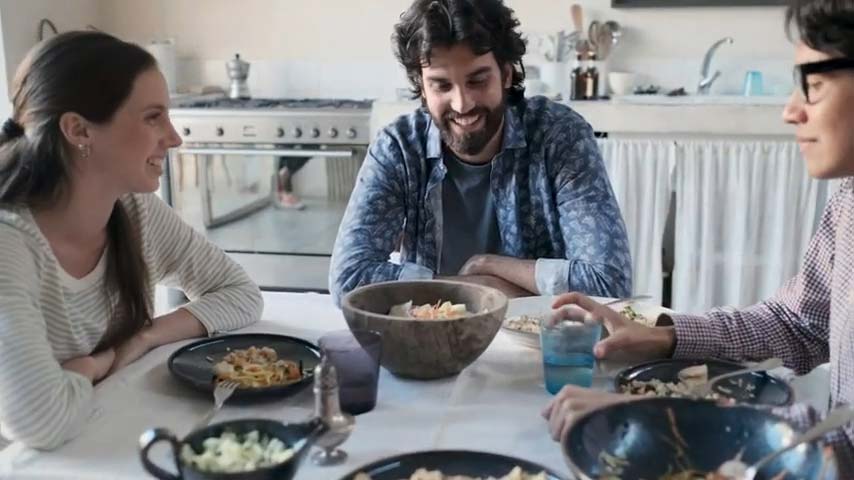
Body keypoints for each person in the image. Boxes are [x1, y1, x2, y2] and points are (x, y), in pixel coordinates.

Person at [542, 0, 854, 475]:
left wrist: (646, 418)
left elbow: (846, 444)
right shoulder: (849, 196)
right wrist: (662, 338)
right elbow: (798, 321)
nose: (791, 111)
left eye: (812, 86)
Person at [0, 31, 263, 450]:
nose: (174, 137)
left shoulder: (134, 211)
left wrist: (142, 338)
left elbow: (241, 293)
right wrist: (97, 364)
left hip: (105, 433)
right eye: (152, 117)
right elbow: (41, 422)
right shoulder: (9, 243)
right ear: (79, 130)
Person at [328, 0, 631, 304]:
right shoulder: (399, 148)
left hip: (540, 341)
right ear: (422, 87)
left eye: (477, 81)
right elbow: (349, 280)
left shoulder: (560, 136)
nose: (462, 104)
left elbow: (610, 282)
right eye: (441, 86)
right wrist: (480, 288)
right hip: (428, 340)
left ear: (507, 74)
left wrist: (490, 265)